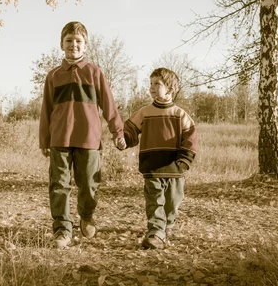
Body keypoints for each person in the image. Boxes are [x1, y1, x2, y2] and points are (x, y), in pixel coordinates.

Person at [39, 21, 126, 249]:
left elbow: (109, 105)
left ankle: (86, 215)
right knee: (59, 184)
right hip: (60, 139)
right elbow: (46, 110)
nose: (73, 45)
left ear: (85, 46)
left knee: (88, 183)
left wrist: (118, 131)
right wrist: (44, 140)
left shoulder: (94, 73)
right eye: (69, 41)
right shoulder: (53, 76)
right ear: (61, 44)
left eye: (78, 41)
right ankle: (62, 228)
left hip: (89, 139)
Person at [120, 67, 198, 249]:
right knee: (154, 201)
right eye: (150, 84)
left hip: (174, 169)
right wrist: (123, 139)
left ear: (170, 89)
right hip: (152, 167)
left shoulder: (180, 115)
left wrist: (184, 162)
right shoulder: (145, 112)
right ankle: (155, 231)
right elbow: (130, 129)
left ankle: (168, 225)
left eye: (157, 84)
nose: (152, 87)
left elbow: (191, 139)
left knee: (172, 202)